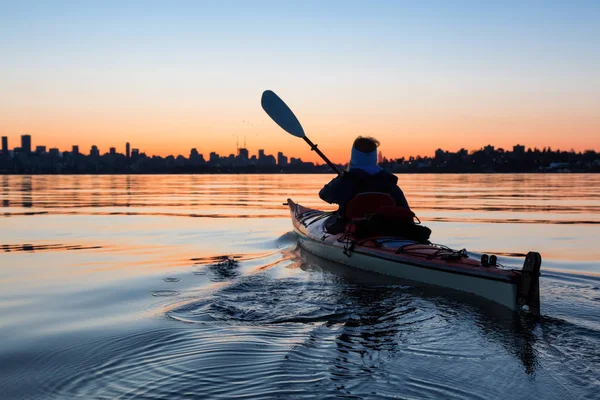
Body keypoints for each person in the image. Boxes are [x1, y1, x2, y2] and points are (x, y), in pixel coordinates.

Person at [319, 136, 411, 233]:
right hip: (387, 229)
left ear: (354, 155)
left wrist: (342, 178)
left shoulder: (344, 181)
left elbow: (324, 194)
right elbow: (405, 212)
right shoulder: (389, 182)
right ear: (374, 156)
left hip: (354, 230)